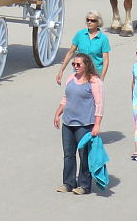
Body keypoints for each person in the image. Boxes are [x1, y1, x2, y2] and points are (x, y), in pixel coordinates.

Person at [53, 53, 103, 195]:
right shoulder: (71, 78)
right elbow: (65, 98)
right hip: (68, 123)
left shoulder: (94, 82)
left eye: (78, 64)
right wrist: (57, 114)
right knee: (68, 154)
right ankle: (68, 183)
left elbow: (99, 105)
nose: (75, 67)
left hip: (84, 125)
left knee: (84, 155)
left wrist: (97, 125)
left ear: (86, 65)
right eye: (73, 64)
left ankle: (84, 185)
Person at [56, 11, 111, 82]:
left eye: (92, 20)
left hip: (95, 73)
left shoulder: (103, 39)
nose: (89, 22)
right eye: (88, 20)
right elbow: (70, 52)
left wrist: (102, 78)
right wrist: (61, 71)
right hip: (79, 72)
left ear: (98, 22)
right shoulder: (80, 34)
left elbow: (105, 60)